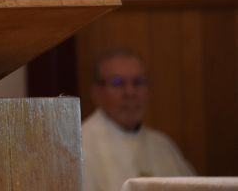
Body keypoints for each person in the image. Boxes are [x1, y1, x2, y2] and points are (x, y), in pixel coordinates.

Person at [81, 48, 195, 191]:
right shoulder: (82, 148)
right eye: (118, 82)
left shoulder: (163, 145)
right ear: (97, 93)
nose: (130, 92)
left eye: (138, 82)